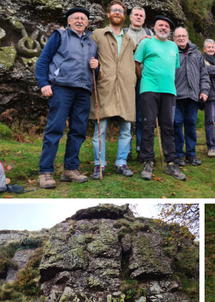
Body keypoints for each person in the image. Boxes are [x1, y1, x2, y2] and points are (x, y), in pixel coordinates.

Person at [35, 7, 98, 189]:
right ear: (69, 21)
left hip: (83, 90)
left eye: (83, 19)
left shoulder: (91, 43)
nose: (80, 21)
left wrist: (97, 65)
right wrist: (43, 83)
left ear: (87, 23)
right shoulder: (60, 36)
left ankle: (70, 169)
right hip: (61, 87)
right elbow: (43, 60)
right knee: (55, 129)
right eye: (76, 18)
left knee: (78, 131)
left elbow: (94, 71)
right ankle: (45, 171)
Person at [134, 15, 186, 181]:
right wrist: (145, 79)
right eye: (161, 25)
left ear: (169, 31)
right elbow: (136, 63)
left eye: (166, 27)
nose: (163, 28)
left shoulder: (173, 46)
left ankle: (171, 162)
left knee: (168, 127)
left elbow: (173, 68)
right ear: (154, 27)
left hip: (169, 91)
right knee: (148, 124)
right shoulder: (146, 42)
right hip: (149, 89)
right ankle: (148, 160)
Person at [90, 0, 136, 180]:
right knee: (100, 129)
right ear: (108, 14)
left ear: (124, 16)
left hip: (125, 88)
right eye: (114, 10)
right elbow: (86, 52)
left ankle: (121, 163)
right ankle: (98, 165)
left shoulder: (129, 39)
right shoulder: (97, 34)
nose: (117, 13)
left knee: (126, 129)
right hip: (105, 86)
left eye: (121, 11)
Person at [173, 27, 210, 166]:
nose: (181, 38)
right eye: (178, 36)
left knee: (191, 124)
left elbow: (204, 75)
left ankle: (191, 154)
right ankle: (178, 154)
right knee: (176, 124)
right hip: (175, 95)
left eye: (183, 36)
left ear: (188, 37)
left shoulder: (197, 54)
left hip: (193, 96)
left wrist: (204, 91)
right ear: (174, 39)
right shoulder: (171, 52)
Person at [124, 6, 153, 160]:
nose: (138, 17)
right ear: (130, 17)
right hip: (127, 78)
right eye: (136, 15)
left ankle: (141, 147)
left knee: (143, 115)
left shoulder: (149, 33)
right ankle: (126, 148)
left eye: (141, 15)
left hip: (144, 79)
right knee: (128, 114)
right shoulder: (123, 32)